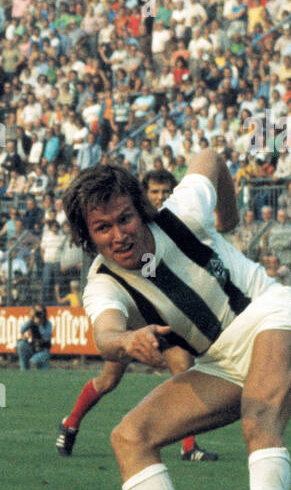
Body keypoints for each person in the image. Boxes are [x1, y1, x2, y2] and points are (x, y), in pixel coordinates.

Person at [64, 149, 291, 490]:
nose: (119, 234)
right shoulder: (103, 281)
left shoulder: (182, 213)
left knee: (259, 416)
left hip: (272, 315)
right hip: (222, 360)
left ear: (140, 209)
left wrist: (228, 214)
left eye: (125, 218)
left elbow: (210, 158)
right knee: (130, 437)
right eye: (102, 228)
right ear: (88, 237)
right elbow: (104, 332)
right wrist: (126, 342)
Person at [56, 169, 220, 462]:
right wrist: (124, 335)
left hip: (162, 320)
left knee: (185, 369)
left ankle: (188, 446)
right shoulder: (111, 255)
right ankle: (70, 423)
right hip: (128, 321)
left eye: (165, 192)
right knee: (108, 380)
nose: (160, 198)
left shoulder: (174, 223)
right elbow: (105, 321)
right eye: (155, 192)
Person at [17, 304, 52, 369]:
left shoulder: (47, 324)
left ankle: (44, 368)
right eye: (36, 312)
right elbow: (22, 330)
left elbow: (46, 337)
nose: (38, 314)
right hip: (33, 348)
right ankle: (23, 371)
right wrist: (31, 319)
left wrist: (40, 325)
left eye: (40, 312)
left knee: (33, 361)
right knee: (21, 345)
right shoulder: (32, 322)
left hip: (43, 350)